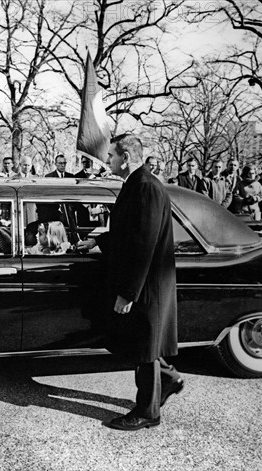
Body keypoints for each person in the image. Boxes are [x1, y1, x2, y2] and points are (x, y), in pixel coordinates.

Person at [79, 133, 183, 431]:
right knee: (144, 344)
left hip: (147, 285)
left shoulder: (146, 188)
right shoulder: (137, 184)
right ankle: (169, 379)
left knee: (145, 349)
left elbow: (142, 243)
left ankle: (148, 413)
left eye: (111, 156)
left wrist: (127, 293)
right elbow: (128, 231)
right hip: (145, 282)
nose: (108, 161)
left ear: (125, 158)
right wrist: (97, 241)